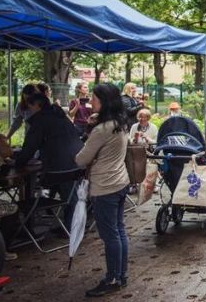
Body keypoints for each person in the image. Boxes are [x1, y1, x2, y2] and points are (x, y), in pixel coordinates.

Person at [75, 84, 130, 297]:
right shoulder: (120, 124)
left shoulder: (101, 129)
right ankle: (121, 274)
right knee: (119, 230)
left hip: (104, 186)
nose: (91, 102)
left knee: (110, 235)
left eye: (94, 99)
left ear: (104, 101)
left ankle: (113, 278)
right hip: (120, 182)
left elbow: (81, 159)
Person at [14, 93, 84, 229]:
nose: (28, 110)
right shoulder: (60, 116)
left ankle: (72, 228)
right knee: (71, 195)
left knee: (68, 193)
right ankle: (72, 227)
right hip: (77, 161)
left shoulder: (41, 120)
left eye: (29, 106)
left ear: (37, 105)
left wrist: (18, 162)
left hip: (60, 166)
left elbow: (30, 147)